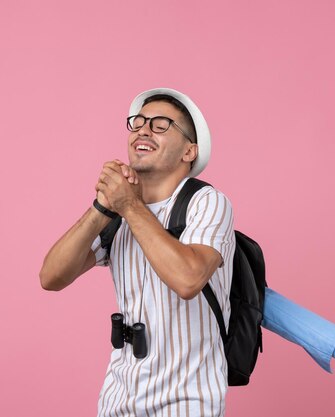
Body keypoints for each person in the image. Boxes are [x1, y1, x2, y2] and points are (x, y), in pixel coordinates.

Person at [40, 88, 235, 417]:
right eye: (138, 123)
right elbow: (51, 277)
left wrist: (129, 204)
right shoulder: (118, 214)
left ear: (190, 151)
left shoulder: (207, 203)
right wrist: (103, 205)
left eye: (161, 125)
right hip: (119, 399)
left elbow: (188, 280)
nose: (143, 130)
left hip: (187, 403)